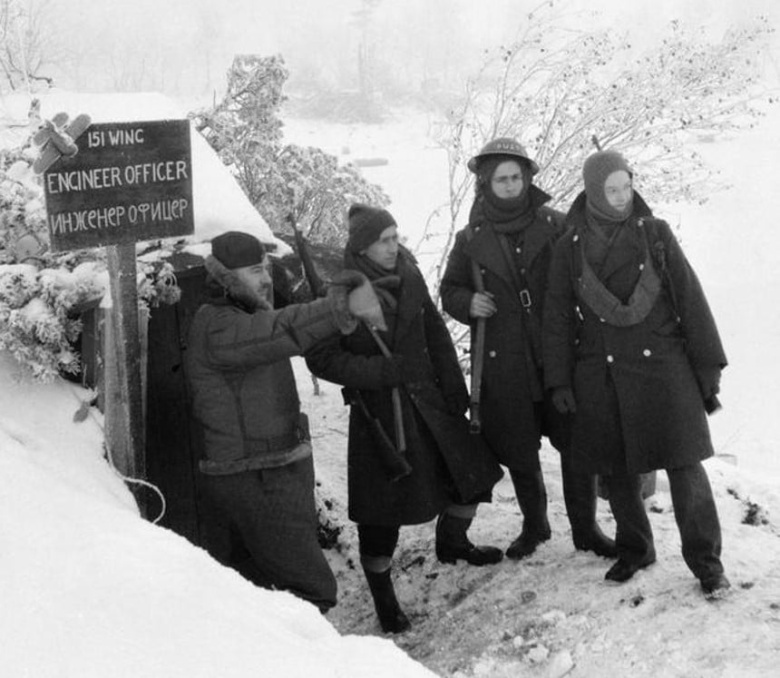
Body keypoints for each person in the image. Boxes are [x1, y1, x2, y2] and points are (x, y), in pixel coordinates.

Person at [305, 204, 503, 634]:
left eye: (396, 237)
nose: (395, 246)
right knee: (384, 512)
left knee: (470, 471)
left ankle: (453, 544)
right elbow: (319, 357)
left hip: (429, 400)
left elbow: (434, 332)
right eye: (385, 240)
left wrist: (455, 389)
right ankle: (383, 597)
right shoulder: (340, 294)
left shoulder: (410, 275)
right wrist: (377, 374)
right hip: (381, 415)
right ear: (363, 248)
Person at [542, 149, 730, 597]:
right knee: (618, 467)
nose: (622, 196)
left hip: (665, 368)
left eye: (626, 186)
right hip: (600, 370)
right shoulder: (569, 247)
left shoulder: (655, 234)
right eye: (611, 189)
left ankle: (707, 564)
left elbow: (690, 298)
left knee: (685, 468)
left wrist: (707, 364)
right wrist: (560, 380)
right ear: (592, 191)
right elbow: (557, 318)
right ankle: (636, 548)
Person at [440, 137, 616, 560]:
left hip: (558, 355)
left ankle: (586, 529)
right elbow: (449, 290)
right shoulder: (470, 239)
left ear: (528, 178)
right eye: (501, 178)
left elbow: (586, 279)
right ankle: (535, 526)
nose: (510, 185)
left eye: (516, 176)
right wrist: (469, 303)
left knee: (576, 445)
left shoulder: (556, 225)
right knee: (519, 448)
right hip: (504, 361)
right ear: (486, 183)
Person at [185, 230, 373, 613]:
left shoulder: (243, 315)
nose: (267, 279)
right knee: (312, 590)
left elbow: (287, 324)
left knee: (253, 587)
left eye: (267, 269)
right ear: (228, 276)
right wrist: (337, 306)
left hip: (268, 471)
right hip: (256, 476)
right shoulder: (219, 325)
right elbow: (284, 329)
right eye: (255, 271)